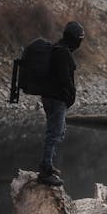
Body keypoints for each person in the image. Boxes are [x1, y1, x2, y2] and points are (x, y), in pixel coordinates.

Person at [38, 21, 85, 186]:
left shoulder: (58, 48)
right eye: (80, 38)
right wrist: (69, 96)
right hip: (56, 100)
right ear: (73, 38)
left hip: (51, 98)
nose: (80, 42)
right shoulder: (62, 53)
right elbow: (65, 79)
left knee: (56, 132)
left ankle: (49, 166)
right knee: (54, 134)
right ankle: (45, 171)